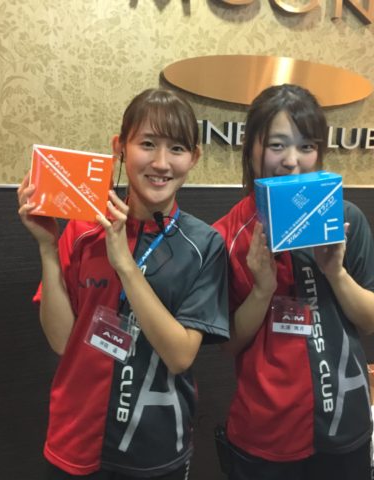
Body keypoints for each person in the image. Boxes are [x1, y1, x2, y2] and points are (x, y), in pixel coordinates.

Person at [17, 88, 229, 479]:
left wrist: (125, 265)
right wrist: (47, 248)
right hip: (75, 436)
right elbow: (62, 341)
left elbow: (180, 357)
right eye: (147, 144)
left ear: (194, 158)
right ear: (119, 148)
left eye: (177, 148)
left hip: (155, 446)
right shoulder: (83, 228)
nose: (161, 163)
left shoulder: (204, 244)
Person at [213, 84, 374, 480]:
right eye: (277, 145)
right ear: (251, 149)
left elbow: (372, 319)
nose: (292, 161)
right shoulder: (227, 235)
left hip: (345, 423)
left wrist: (336, 272)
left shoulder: (346, 219)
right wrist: (262, 290)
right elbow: (228, 344)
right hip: (267, 434)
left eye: (306, 146)